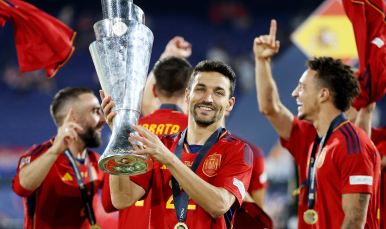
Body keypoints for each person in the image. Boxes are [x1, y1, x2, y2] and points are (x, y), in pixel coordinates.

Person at [254, 20, 380, 228]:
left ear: (324, 94)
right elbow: (270, 107)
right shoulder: (313, 137)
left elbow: (354, 222)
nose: (294, 94)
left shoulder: (353, 145)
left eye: (302, 88)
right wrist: (261, 61)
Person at [107, 60, 253, 228]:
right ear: (187, 95)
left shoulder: (238, 150)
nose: (208, 98)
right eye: (200, 89)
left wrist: (170, 160)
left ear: (229, 104)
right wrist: (118, 138)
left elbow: (219, 205)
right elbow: (122, 199)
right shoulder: (161, 145)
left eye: (218, 92)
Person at [100, 36, 193, 229]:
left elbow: (109, 203)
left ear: (155, 90)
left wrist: (167, 54)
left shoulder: (129, 133)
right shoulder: (200, 134)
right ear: (189, 93)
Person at [12, 87, 107, 229]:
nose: (103, 119)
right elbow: (20, 188)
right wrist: (54, 152)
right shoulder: (40, 154)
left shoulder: (96, 162)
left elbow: (118, 202)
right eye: (95, 111)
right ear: (74, 118)